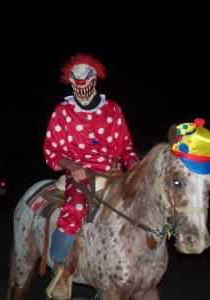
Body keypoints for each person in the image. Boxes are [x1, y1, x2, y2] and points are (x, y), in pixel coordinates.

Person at [43, 53, 140, 299]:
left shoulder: (112, 109)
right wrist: (72, 164)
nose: (81, 88)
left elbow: (125, 146)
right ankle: (61, 270)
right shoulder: (63, 111)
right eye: (76, 82)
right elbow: (51, 150)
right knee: (75, 207)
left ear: (95, 80)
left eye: (86, 81)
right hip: (79, 172)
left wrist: (135, 164)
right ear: (70, 82)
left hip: (111, 171)